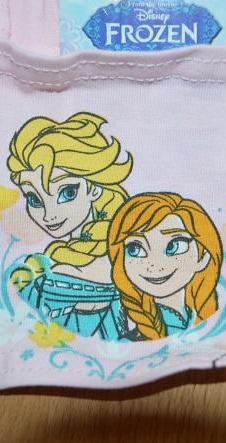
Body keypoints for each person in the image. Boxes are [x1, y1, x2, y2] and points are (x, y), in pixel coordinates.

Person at [7, 112, 132, 340]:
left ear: (94, 188)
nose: (49, 215)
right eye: (34, 199)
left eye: (67, 192)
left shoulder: (102, 260)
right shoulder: (62, 259)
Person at [108, 192, 223, 340]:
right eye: (135, 249)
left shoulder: (212, 320)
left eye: (174, 246)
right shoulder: (130, 342)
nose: (154, 264)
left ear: (203, 255)